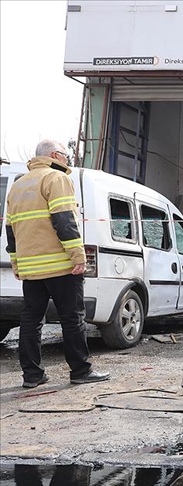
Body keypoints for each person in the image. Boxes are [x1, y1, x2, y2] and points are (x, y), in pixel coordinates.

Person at [4, 140, 110, 388]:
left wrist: (16, 263)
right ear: (54, 155)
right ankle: (80, 371)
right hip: (60, 265)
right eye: (65, 155)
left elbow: (11, 231)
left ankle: (32, 376)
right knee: (72, 317)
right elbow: (64, 219)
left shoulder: (18, 186)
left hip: (31, 268)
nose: (67, 159)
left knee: (31, 320)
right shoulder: (56, 178)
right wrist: (78, 256)